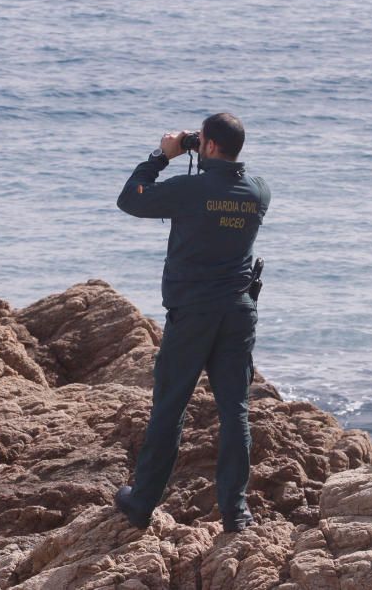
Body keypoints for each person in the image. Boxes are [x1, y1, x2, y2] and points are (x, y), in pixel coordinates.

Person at [114, 112, 270, 531]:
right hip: (239, 312)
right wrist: (197, 147)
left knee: (170, 407)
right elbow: (220, 201)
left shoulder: (189, 188)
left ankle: (142, 502)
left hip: (193, 316)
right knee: (234, 410)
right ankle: (236, 513)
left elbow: (131, 198)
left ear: (211, 146)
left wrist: (161, 155)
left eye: (200, 140)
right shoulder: (257, 192)